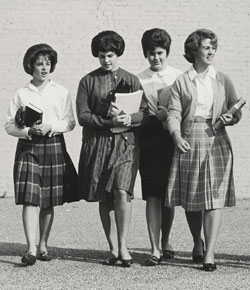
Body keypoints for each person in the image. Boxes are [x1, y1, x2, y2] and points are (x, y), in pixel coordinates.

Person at [165, 29, 242, 271]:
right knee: (193, 199)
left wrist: (232, 116)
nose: (211, 52)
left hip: (217, 138)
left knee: (214, 199)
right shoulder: (182, 81)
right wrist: (176, 135)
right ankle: (196, 243)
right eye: (206, 47)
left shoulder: (222, 79)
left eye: (213, 48)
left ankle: (209, 253)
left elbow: (235, 108)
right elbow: (173, 113)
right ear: (194, 50)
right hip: (190, 138)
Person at [76, 30, 149, 267]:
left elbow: (145, 112)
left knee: (121, 191)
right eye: (101, 56)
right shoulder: (87, 81)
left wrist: (131, 119)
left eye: (110, 55)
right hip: (97, 145)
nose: (106, 60)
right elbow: (83, 116)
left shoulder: (131, 80)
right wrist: (108, 121)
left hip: (126, 144)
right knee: (104, 196)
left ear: (118, 54)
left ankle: (124, 246)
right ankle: (113, 248)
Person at [5, 44, 78, 266]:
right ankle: (30, 249)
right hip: (28, 147)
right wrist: (27, 131)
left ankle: (43, 245)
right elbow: (9, 125)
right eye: (39, 63)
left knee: (48, 201)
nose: (44, 68)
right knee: (29, 198)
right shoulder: (21, 93)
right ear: (31, 66)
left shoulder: (61, 91)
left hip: (53, 143)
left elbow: (70, 122)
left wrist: (51, 126)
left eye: (47, 63)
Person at [137, 28, 182, 266]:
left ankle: (166, 241)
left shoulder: (178, 76)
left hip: (170, 137)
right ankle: (154, 248)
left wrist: (169, 114)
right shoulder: (138, 79)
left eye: (160, 53)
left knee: (168, 196)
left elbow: (185, 109)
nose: (156, 58)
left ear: (167, 52)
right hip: (148, 139)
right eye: (151, 53)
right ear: (146, 54)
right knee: (152, 195)